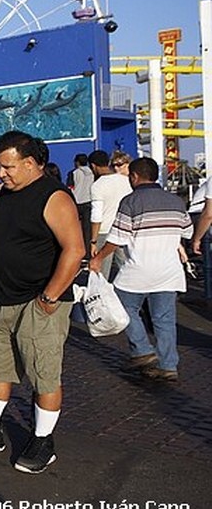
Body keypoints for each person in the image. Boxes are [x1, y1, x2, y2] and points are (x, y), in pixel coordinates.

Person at [0, 131, 84, 475]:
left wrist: (50, 297)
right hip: (4, 300)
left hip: (40, 301)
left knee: (43, 374)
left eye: (6, 167)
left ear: (30, 163)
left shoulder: (55, 197)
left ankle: (42, 439)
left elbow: (75, 250)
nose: (0, 174)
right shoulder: (6, 195)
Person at [90, 157, 192, 382]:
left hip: (138, 270)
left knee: (123, 306)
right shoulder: (175, 201)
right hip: (169, 271)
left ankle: (143, 350)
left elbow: (117, 237)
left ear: (134, 177)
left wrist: (98, 258)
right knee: (164, 319)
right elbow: (187, 231)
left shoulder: (131, 201)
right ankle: (168, 365)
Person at [87, 150, 132, 280]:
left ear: (93, 166)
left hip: (104, 232)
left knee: (101, 273)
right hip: (123, 229)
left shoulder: (97, 185)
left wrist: (93, 241)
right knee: (126, 268)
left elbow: (96, 216)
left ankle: (102, 298)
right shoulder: (126, 181)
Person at [190, 177, 212, 300]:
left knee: (202, 259)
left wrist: (196, 239)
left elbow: (208, 214)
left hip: (198, 215)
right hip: (200, 214)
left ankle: (207, 294)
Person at [68, 153, 94, 248]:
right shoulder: (92, 172)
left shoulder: (73, 173)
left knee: (75, 229)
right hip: (89, 201)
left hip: (77, 202)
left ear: (77, 162)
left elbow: (70, 187)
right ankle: (88, 251)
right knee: (87, 229)